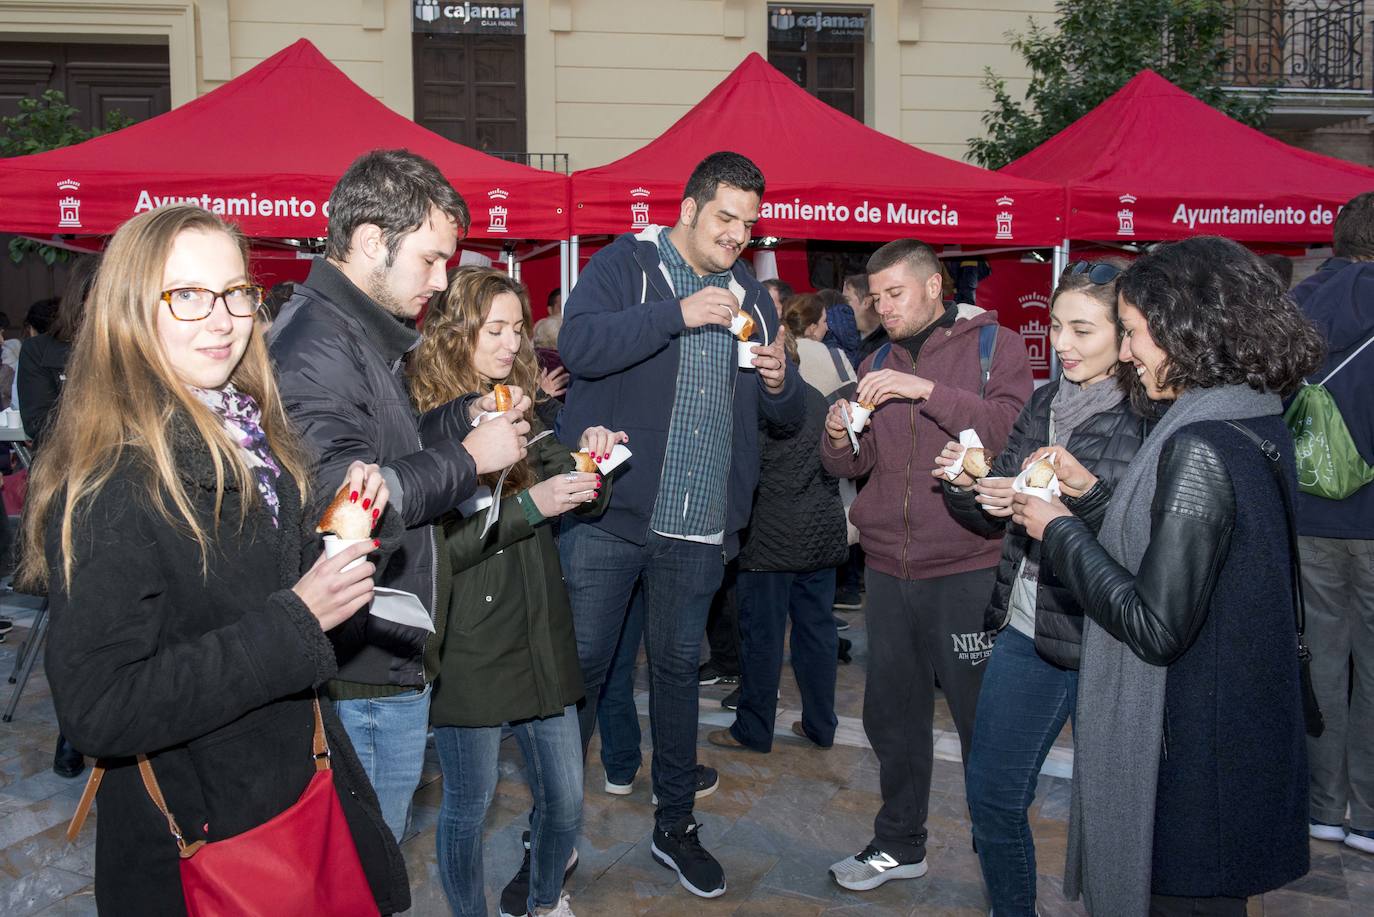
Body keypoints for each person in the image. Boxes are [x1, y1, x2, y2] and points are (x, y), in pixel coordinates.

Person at [25, 203, 409, 914]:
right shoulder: (116, 479)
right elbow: (99, 709)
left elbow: (280, 611)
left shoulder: (255, 438)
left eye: (235, 292)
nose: (222, 318)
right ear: (131, 311)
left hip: (292, 795)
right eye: (188, 295)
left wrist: (340, 550)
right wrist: (297, 619)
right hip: (201, 839)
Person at [1014, 236, 1321, 915]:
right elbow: (1185, 552)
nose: (1126, 354)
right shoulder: (1248, 413)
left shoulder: (1198, 443)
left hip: (1188, 766)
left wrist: (1058, 530)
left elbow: (1155, 624)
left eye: (1134, 333)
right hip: (1232, 740)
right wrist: (1094, 498)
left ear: (1187, 329)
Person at [556, 150, 803, 899]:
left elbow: (784, 418)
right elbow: (578, 347)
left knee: (674, 674)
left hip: (698, 526)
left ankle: (674, 825)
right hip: (612, 513)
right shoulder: (628, 265)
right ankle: (556, 825)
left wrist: (780, 380)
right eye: (726, 217)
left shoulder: (755, 297)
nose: (737, 234)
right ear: (689, 208)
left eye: (749, 223)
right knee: (584, 672)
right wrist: (676, 314)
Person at [269, 148, 529, 842]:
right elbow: (342, 505)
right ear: (370, 241)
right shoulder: (315, 346)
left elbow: (386, 448)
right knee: (367, 867)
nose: (443, 281)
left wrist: (455, 423)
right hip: (364, 669)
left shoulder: (353, 333)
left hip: (382, 649)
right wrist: (468, 460)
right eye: (432, 259)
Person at [935, 258, 1149, 916]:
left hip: (1112, 641)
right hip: (1029, 626)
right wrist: (970, 488)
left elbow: (1143, 542)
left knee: (1118, 817)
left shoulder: (1150, 417)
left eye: (1082, 330)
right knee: (993, 796)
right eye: (1056, 326)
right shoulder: (1046, 399)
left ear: (1127, 334)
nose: (1061, 344)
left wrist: (1075, 496)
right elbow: (997, 503)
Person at [820, 238, 1032, 892]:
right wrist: (836, 434)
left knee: (981, 724)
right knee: (893, 716)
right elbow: (849, 466)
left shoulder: (995, 344)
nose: (881, 307)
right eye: (875, 296)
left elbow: (1008, 430)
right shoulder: (873, 359)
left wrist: (926, 388)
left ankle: (1001, 860)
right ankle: (898, 842)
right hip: (888, 566)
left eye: (894, 293)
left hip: (968, 564)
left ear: (934, 285)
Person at [411, 267, 624, 917]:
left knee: (564, 797)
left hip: (539, 631)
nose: (510, 343)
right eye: (494, 328)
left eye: (515, 328)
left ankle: (540, 900)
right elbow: (437, 550)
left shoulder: (521, 401)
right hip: (469, 645)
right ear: (457, 333)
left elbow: (575, 488)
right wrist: (531, 508)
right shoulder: (428, 422)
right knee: (468, 806)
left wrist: (593, 460)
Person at [707, 328, 847, 753]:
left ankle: (753, 728)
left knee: (762, 639)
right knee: (817, 635)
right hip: (820, 537)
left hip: (768, 542)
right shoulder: (818, 399)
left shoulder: (753, 406)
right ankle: (821, 724)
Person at [1288, 191, 1374, 856]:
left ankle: (1323, 806)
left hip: (1309, 509)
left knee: (1320, 652)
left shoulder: (1297, 303)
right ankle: (1369, 813)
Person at [17, 253, 101, 778]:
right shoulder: (42, 352)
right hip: (72, 498)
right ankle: (73, 729)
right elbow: (40, 426)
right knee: (75, 619)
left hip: (136, 498)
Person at [783, 292, 856, 400]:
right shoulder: (835, 356)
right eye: (824, 321)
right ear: (812, 328)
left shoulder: (778, 354)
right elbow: (855, 395)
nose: (827, 327)